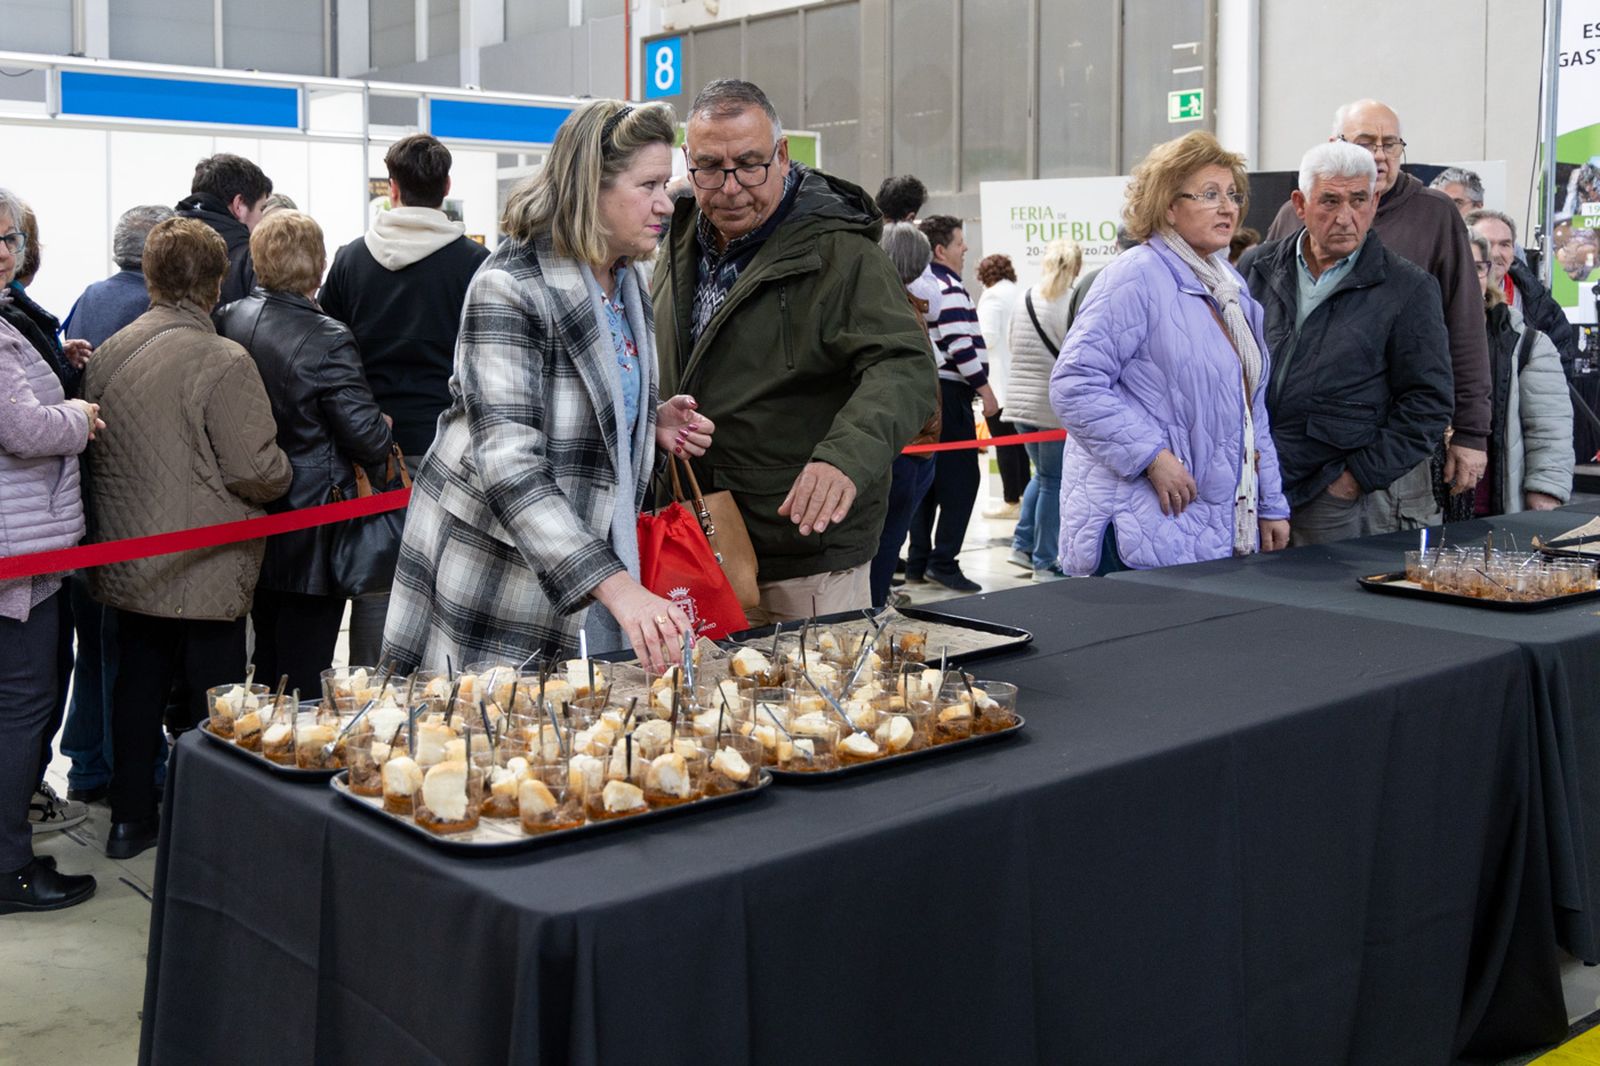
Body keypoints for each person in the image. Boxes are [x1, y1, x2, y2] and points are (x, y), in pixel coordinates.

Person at [384, 100, 711, 675]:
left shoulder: (626, 273)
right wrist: (618, 588)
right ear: (592, 188)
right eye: (650, 185)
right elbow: (508, 461)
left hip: (588, 560)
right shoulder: (510, 286)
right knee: (490, 747)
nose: (666, 203)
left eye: (667, 183)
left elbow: (585, 387)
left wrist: (643, 419)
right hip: (500, 570)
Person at [653, 79, 934, 624]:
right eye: (709, 167)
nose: (730, 187)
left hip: (800, 554)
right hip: (694, 538)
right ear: (687, 162)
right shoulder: (675, 236)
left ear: (782, 155)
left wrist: (843, 458)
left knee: (810, 702)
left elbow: (904, 366)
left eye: (750, 164)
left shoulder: (841, 252)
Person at [84, 217, 291, 859]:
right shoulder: (224, 358)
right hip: (205, 559)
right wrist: (290, 471)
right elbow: (256, 471)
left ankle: (129, 820)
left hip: (129, 559)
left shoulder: (109, 350)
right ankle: (213, 827)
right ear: (216, 281)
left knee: (137, 687)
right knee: (216, 698)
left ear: (150, 276)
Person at [1050, 131, 1290, 574]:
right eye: (1210, 194)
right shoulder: (1134, 276)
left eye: (1233, 194)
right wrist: (1151, 457)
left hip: (1211, 525)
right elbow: (1074, 385)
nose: (1229, 206)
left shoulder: (1229, 285)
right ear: (1168, 207)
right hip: (1138, 526)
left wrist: (1271, 502)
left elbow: (1250, 408)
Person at [1265, 100, 1490, 511]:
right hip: (1284, 460)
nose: (1382, 155)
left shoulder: (1435, 213)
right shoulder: (1288, 218)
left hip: (1379, 459)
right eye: (1368, 142)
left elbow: (1466, 326)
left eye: (1392, 144)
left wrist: (1472, 432)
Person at [319, 133, 490, 665]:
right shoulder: (475, 263)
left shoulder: (350, 261)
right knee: (453, 580)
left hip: (374, 451)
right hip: (455, 449)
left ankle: (373, 698)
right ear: (446, 188)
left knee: (378, 585)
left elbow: (330, 350)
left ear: (391, 188)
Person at [1239, 142, 1454, 545]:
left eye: (1358, 200)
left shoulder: (1408, 287)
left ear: (1375, 202)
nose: (1345, 217)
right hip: (1249, 481)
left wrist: (1353, 481)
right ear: (1300, 205)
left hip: (1329, 493)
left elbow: (1428, 402)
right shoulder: (1257, 266)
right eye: (1330, 201)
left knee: (1321, 603)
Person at [217, 211, 394, 694]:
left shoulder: (227, 319)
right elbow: (368, 440)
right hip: (313, 522)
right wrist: (382, 427)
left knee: (264, 659)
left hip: (248, 510)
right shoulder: (328, 338)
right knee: (305, 670)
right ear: (318, 267)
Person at [0, 185, 102, 914]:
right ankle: (9, 868)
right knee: (25, 704)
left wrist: (54, 364)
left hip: (24, 545)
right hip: (19, 554)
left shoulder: (14, 322)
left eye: (9, 239)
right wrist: (79, 413)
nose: (4, 252)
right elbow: (26, 431)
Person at [56, 203, 174, 806]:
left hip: (81, 497)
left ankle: (84, 764)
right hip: (128, 503)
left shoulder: (90, 298)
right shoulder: (149, 314)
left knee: (94, 641)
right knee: (119, 647)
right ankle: (117, 764)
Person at [906, 214, 999, 593]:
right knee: (963, 482)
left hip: (929, 396)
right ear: (941, 249)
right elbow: (961, 346)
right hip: (952, 395)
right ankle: (944, 561)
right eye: (961, 243)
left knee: (928, 482)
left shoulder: (922, 285)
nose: (966, 250)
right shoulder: (950, 287)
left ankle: (918, 561)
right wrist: (986, 390)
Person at [1469, 231, 1573, 515]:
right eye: (1457, 265)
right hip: (1429, 509)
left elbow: (1551, 429)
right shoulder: (1419, 335)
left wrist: (1545, 490)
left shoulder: (1526, 343)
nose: (1466, 277)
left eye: (1477, 267)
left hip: (1497, 505)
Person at [869, 222, 941, 608]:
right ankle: (875, 608)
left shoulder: (890, 304)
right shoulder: (900, 311)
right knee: (887, 540)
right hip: (906, 447)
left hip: (905, 445)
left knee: (885, 540)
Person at [1007, 238, 1081, 578]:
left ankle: (1022, 546)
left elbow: (1011, 344)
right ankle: (1044, 560)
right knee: (1053, 480)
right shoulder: (1071, 303)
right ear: (1076, 267)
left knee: (1042, 475)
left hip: (1020, 405)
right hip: (1051, 406)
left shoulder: (1025, 297)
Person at [1468, 208, 1580, 368]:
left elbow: (1559, 368)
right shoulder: (1444, 295)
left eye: (1505, 244)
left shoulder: (1541, 305)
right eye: (1486, 243)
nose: (1495, 253)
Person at [175, 153, 273, 307]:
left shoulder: (160, 242)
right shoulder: (250, 256)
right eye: (261, 209)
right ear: (239, 204)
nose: (262, 220)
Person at [976, 253, 1029, 520]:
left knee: (1004, 444)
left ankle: (1011, 500)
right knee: (1018, 445)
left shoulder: (992, 296)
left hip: (998, 384)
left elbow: (986, 337)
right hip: (1017, 382)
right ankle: (1022, 497)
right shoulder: (1018, 293)